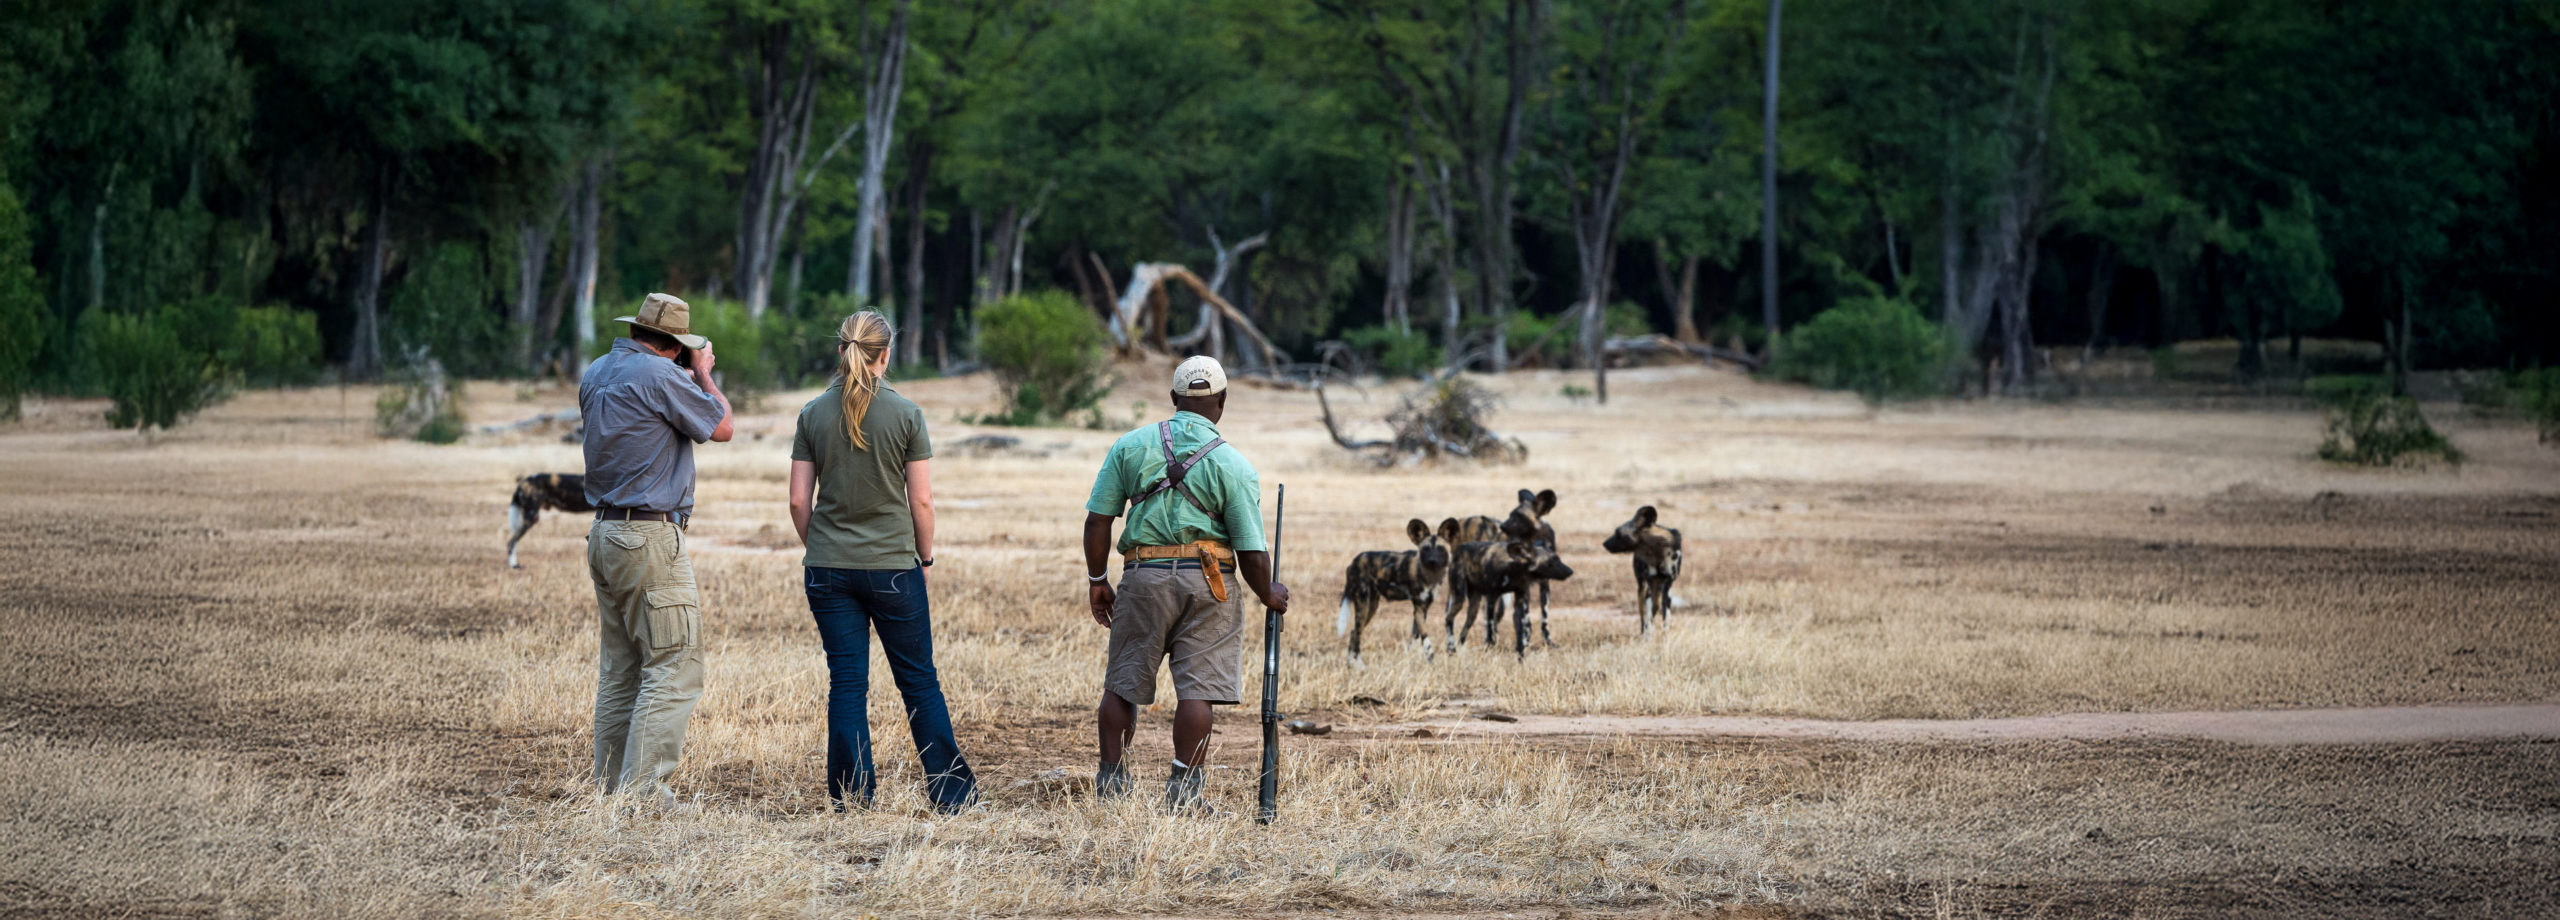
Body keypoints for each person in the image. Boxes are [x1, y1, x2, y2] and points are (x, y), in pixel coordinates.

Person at [1083, 355, 1290, 813]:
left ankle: (1111, 785)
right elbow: (1253, 553)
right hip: (1210, 584)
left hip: (1143, 577)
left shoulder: (1131, 446)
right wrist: (1267, 593)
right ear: (1222, 401)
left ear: (1174, 398)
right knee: (1197, 691)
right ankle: (1183, 791)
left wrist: (1098, 579)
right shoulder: (1234, 465)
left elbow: (1098, 520)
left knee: (1122, 683)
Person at [788, 311, 977, 813]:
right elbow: (923, 504)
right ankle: (952, 796)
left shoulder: (811, 414)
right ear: (885, 355)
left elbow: (797, 503)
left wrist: (824, 546)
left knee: (847, 682)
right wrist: (927, 560)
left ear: (840, 352)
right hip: (894, 567)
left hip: (827, 568)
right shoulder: (906, 414)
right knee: (918, 679)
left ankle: (852, 799)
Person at [580, 292, 734, 810]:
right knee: (674, 662)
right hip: (648, 537)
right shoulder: (663, 376)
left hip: (604, 534)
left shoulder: (599, 370)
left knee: (622, 667)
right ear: (673, 345)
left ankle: (610, 787)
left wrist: (682, 374)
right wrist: (705, 373)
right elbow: (721, 427)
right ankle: (643, 793)